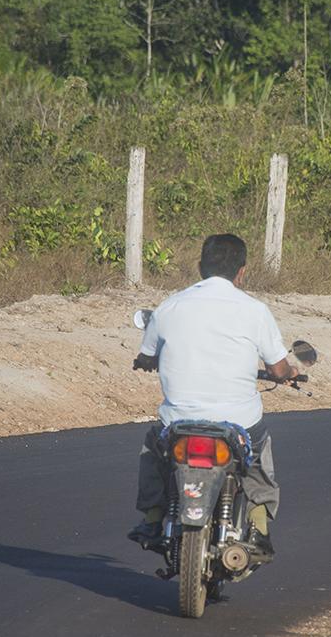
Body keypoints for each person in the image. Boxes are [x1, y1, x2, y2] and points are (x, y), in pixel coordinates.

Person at [127, 233, 297, 557]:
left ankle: (151, 519)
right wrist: (290, 374)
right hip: (239, 423)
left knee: (153, 450)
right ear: (242, 272)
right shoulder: (255, 310)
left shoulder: (169, 307)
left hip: (179, 422)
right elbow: (278, 369)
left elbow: (147, 356)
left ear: (199, 267)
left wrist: (147, 362)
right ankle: (259, 529)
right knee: (258, 457)